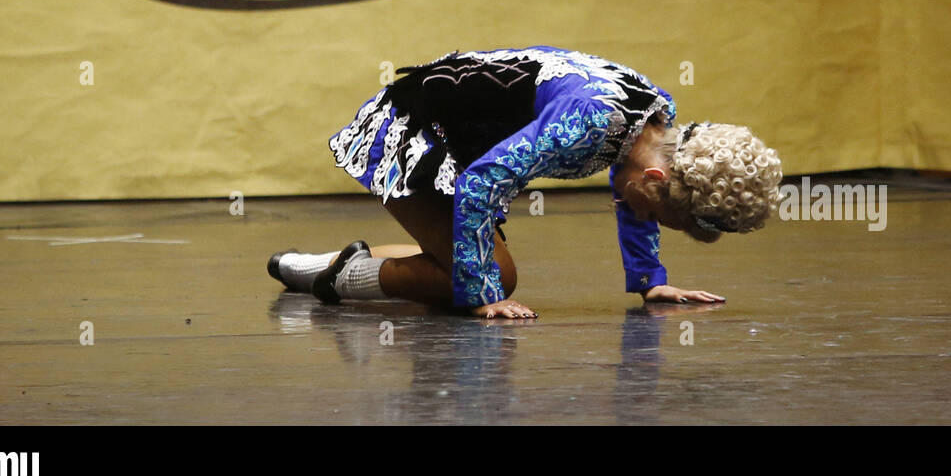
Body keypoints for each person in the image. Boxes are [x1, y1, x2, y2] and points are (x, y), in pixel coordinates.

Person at [268, 46, 782, 319]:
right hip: (415, 130)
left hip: (462, 146)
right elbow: (480, 181)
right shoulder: (593, 119)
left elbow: (632, 192)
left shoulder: (651, 119)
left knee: (465, 264)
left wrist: (651, 279)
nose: (645, 217)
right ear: (655, 177)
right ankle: (335, 277)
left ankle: (329, 269)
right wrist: (485, 295)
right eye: (657, 215)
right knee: (488, 278)